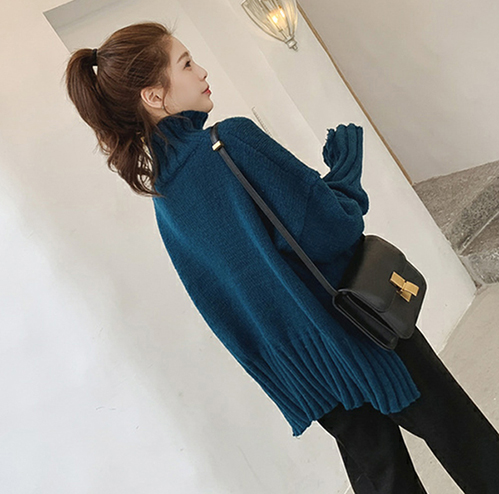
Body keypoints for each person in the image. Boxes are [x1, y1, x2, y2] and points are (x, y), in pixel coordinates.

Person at [64, 21, 499, 493]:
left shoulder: (165, 197)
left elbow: (223, 301)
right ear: (154, 96)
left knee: (382, 477)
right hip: (354, 329)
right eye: (186, 64)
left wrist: (286, 371)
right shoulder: (230, 140)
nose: (202, 71)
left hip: (301, 366)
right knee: (461, 435)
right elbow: (332, 229)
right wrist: (346, 171)